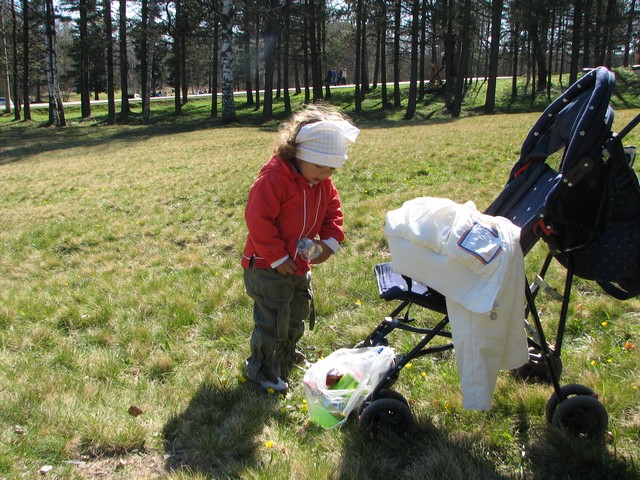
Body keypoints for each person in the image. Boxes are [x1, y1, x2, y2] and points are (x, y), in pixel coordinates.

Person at [241, 105, 360, 393]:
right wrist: (278, 256)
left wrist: (330, 241)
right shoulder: (274, 179)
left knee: (296, 311)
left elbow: (333, 212)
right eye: (320, 166)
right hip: (267, 266)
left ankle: (285, 353)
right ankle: (261, 367)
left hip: (298, 263)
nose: (326, 173)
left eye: (332, 168)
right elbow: (258, 220)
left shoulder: (322, 183)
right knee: (273, 317)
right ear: (298, 153)